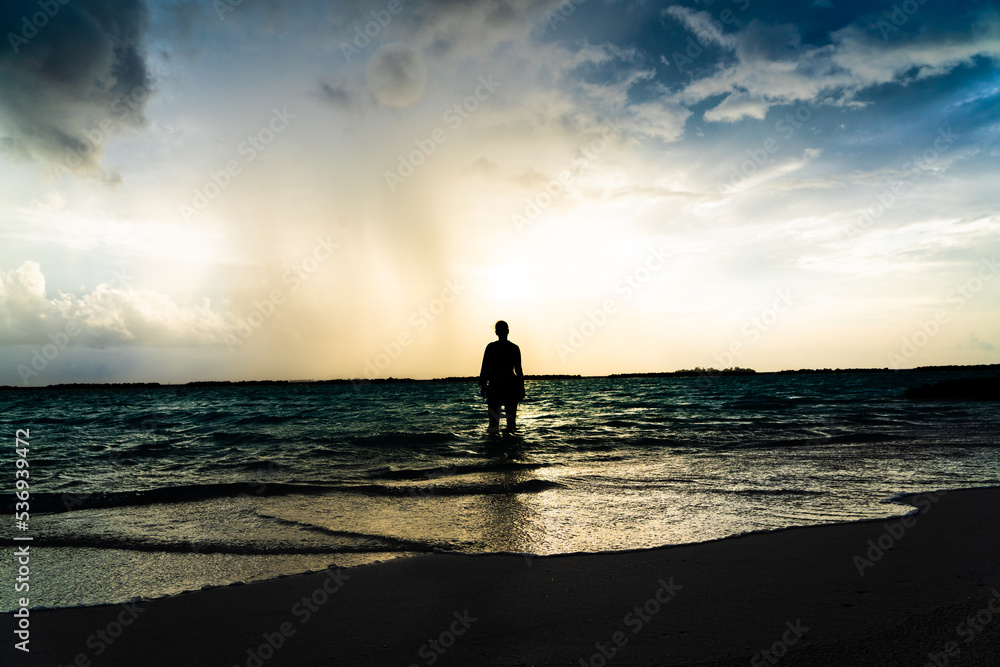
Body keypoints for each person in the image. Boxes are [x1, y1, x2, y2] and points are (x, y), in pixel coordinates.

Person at [478, 320, 524, 434]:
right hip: (509, 387)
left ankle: (494, 449)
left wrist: (483, 387)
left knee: (493, 424)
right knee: (511, 423)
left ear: (496, 332)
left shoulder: (491, 347)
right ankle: (510, 447)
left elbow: (484, 369)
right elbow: (518, 371)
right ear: (508, 331)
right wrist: (521, 387)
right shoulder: (514, 348)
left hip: (495, 387)